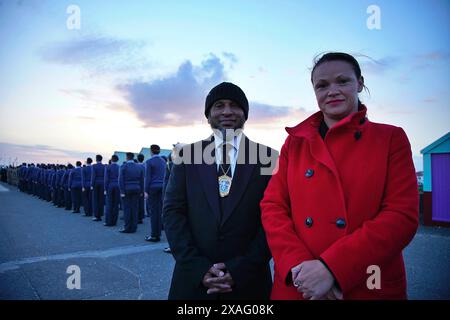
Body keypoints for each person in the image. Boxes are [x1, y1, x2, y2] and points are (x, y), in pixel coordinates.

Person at [260, 52, 419, 300]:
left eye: (342, 81)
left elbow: (401, 216)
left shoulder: (391, 138)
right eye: (322, 85)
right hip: (299, 284)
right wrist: (300, 266)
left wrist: (333, 268)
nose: (332, 91)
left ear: (360, 83)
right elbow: (272, 206)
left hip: (365, 284)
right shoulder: (294, 143)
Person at [163, 82, 278, 300]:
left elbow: (274, 218)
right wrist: (198, 268)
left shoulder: (268, 158)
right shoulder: (187, 155)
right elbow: (172, 212)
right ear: (208, 115)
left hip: (248, 282)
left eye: (234, 105)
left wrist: (241, 269)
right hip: (193, 281)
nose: (227, 111)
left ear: (245, 114)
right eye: (219, 105)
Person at [161, 143, 186, 254]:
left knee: (174, 221)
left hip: (174, 197)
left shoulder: (173, 164)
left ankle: (173, 246)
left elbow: (168, 181)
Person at [144, 144, 166, 242]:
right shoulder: (163, 161)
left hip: (152, 187)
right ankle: (159, 232)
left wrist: (145, 190)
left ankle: (154, 235)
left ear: (151, 151)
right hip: (162, 187)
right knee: (160, 210)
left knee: (153, 211)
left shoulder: (149, 162)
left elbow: (147, 177)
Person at [119, 152, 144, 233]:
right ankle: (134, 227)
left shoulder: (123, 166)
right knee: (135, 208)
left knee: (127, 209)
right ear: (133, 158)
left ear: (127, 158)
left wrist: (122, 191)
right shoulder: (139, 167)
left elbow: (120, 180)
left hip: (126, 189)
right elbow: (142, 180)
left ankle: (127, 227)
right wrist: (141, 191)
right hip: (137, 188)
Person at [104, 155, 120, 226]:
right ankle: (114, 221)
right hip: (117, 186)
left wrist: (105, 188)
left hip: (110, 186)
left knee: (109, 204)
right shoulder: (120, 167)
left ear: (111, 159)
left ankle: (109, 221)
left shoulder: (108, 167)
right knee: (116, 204)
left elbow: (106, 179)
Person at [91, 154, 105, 221]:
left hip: (96, 183)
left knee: (95, 200)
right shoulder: (104, 166)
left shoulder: (94, 166)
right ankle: (101, 213)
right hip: (103, 183)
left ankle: (97, 215)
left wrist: (92, 184)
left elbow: (93, 176)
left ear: (96, 159)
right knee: (101, 199)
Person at [137, 153, 145, 224]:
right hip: (144, 185)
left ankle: (137, 217)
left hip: (138, 185)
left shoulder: (136, 167)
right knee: (141, 202)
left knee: (137, 202)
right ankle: (141, 217)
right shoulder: (145, 166)